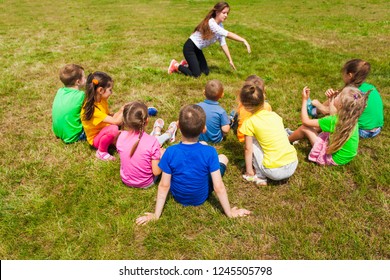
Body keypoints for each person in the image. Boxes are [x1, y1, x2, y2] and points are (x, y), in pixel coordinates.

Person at [136, 104, 251, 225]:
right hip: (201, 196)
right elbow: (218, 187)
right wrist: (229, 213)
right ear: (204, 129)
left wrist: (156, 215)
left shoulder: (170, 152)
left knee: (201, 149)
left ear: (179, 126)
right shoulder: (210, 152)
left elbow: (164, 186)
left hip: (178, 196)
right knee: (222, 157)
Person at [288, 86, 368, 166]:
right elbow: (333, 113)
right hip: (345, 157)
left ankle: (287, 140)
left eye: (339, 95)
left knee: (305, 128)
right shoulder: (351, 119)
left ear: (340, 105)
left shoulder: (334, 121)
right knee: (322, 124)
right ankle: (298, 135)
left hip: (330, 159)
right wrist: (332, 99)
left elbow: (305, 121)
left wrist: (304, 100)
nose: (337, 94)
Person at [167, 1, 251, 77]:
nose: (226, 15)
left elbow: (223, 43)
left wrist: (230, 60)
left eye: (227, 13)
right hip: (190, 48)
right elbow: (227, 34)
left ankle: (186, 64)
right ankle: (176, 65)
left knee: (205, 72)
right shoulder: (212, 23)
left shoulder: (220, 26)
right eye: (224, 13)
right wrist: (243, 40)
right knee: (196, 74)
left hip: (197, 49)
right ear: (217, 12)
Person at [239, 83, 298, 186]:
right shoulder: (275, 115)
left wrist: (249, 170)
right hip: (293, 163)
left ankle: (259, 177)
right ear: (263, 99)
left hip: (274, 172)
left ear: (245, 105)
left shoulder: (249, 122)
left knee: (251, 143)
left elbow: (248, 149)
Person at [309, 59, 384, 138]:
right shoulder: (370, 87)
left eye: (343, 73)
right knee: (336, 97)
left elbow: (331, 114)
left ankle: (310, 129)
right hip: (377, 129)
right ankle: (314, 111)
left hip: (362, 131)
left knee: (329, 120)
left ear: (350, 75)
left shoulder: (351, 94)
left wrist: (318, 104)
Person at [116, 101, 178, 188]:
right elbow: (157, 172)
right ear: (147, 121)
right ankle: (168, 133)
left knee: (154, 142)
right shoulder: (152, 142)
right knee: (158, 146)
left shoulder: (121, 136)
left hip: (126, 180)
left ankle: (163, 133)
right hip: (146, 182)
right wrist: (162, 155)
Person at [81, 71, 123, 161]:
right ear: (100, 90)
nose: (111, 93)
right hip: (95, 139)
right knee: (114, 129)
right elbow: (116, 121)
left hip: (103, 130)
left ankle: (114, 141)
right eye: (110, 90)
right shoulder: (93, 109)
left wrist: (119, 111)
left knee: (118, 130)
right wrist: (124, 111)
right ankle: (101, 151)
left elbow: (109, 116)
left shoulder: (101, 100)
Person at [52, 64, 86, 143]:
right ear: (78, 82)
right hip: (74, 135)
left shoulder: (60, 91)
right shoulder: (81, 95)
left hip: (58, 132)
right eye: (84, 77)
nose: (86, 78)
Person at [234, 75, 272, 143]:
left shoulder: (242, 105)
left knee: (235, 115)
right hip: (257, 138)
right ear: (262, 93)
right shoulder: (267, 106)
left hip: (241, 136)